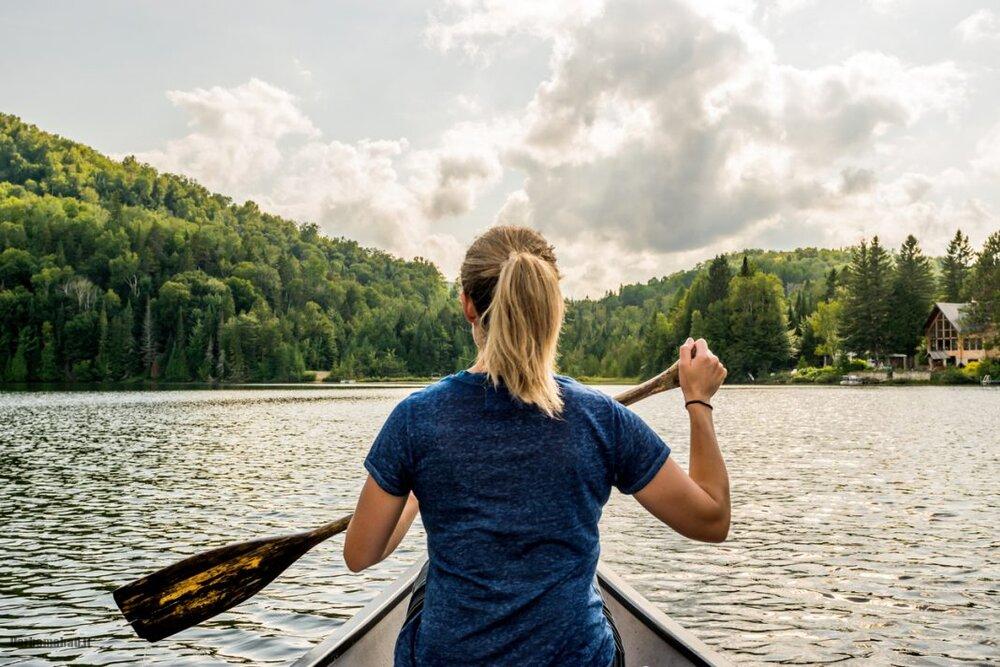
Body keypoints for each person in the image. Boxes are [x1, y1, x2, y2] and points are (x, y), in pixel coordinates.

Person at [343, 226, 730, 666]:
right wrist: (698, 401)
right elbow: (711, 520)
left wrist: (414, 492)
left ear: (467, 305)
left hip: (448, 657)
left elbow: (361, 554)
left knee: (428, 586)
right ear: (553, 307)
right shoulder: (600, 418)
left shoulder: (416, 420)